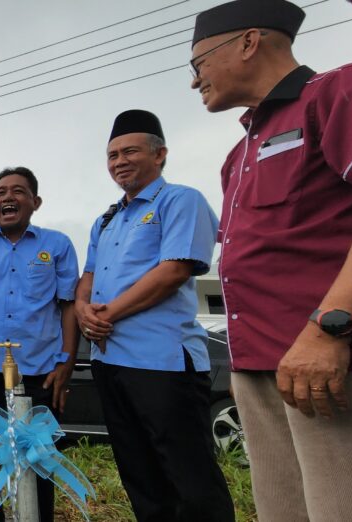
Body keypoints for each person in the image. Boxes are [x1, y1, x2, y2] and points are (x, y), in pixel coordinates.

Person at [190, 2, 352, 519]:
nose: (195, 81)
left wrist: (329, 330)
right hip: (261, 371)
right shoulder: (237, 155)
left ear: (249, 42)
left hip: (334, 364)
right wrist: (244, 367)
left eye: (199, 63)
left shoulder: (340, 91)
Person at [75, 110, 233, 521]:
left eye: (130, 151)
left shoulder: (180, 200)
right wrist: (82, 310)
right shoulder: (106, 219)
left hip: (163, 363)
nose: (119, 162)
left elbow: (174, 271)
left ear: (160, 154)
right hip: (110, 361)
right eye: (112, 155)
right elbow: (87, 276)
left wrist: (105, 314)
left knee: (190, 478)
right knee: (140, 477)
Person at [0, 167, 79, 522]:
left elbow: (69, 306)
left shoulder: (57, 245)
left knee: (38, 459)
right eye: (0, 192)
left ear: (35, 202)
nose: (8, 197)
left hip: (40, 373)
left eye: (18, 191)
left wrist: (66, 361)